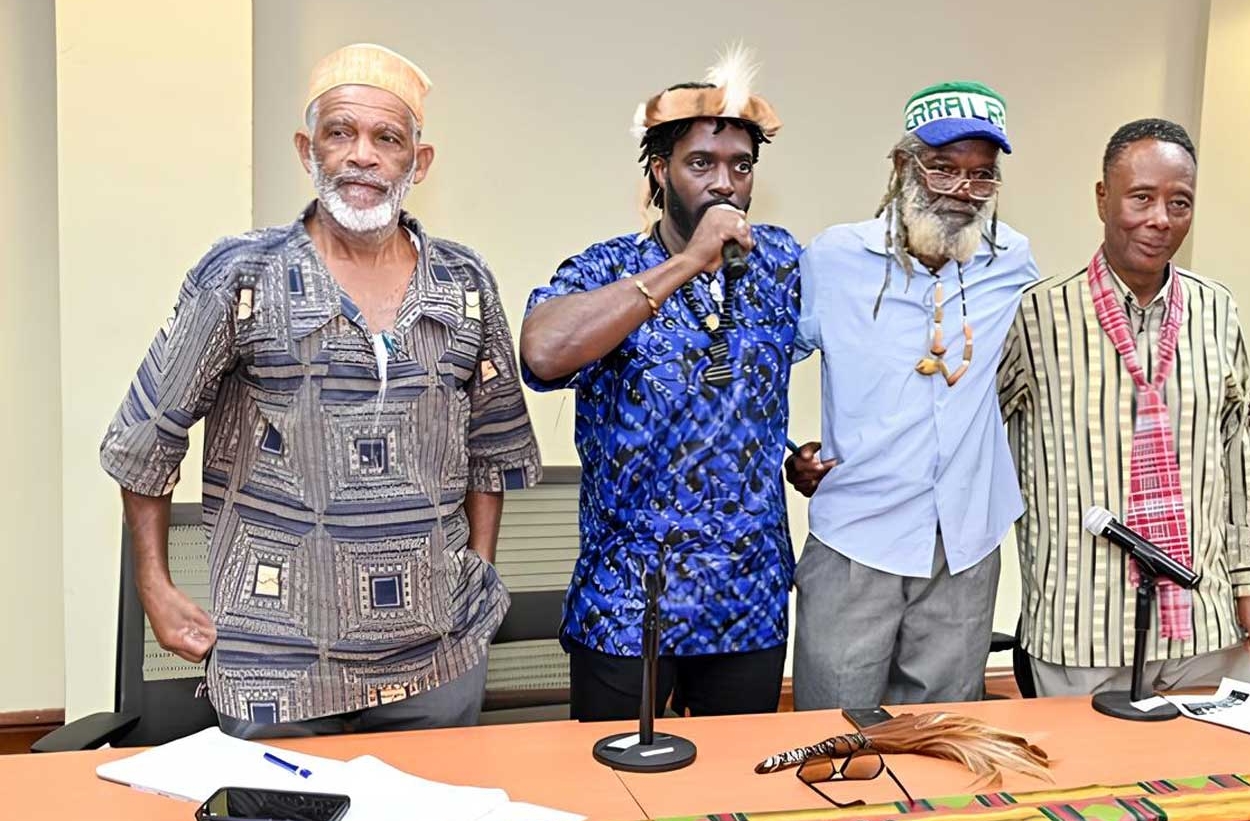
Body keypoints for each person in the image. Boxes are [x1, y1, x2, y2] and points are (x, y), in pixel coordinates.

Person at [100, 43, 541, 738]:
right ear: (310, 149)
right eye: (341, 133)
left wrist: (477, 569)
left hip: (436, 662)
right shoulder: (242, 278)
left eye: (386, 138)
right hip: (275, 666)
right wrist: (154, 585)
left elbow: (492, 447)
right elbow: (144, 437)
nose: (362, 155)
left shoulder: (463, 285)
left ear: (417, 164)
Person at [519, 48, 800, 721]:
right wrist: (687, 263)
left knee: (737, 794)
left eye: (740, 166)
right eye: (701, 164)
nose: (724, 183)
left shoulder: (782, 264)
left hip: (747, 594)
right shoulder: (609, 265)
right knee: (614, 790)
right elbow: (543, 351)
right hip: (630, 595)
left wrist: (809, 455)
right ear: (659, 171)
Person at [998, 118, 1250, 697]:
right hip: (1081, 630)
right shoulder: (1035, 316)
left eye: (1180, 202)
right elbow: (967, 436)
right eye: (1141, 198)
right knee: (1087, 788)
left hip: (1205, 629)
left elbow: (1235, 454)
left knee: (1213, 784)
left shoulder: (1216, 310)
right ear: (1102, 198)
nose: (1161, 219)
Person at [785, 82, 1040, 709]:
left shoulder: (1012, 261)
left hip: (965, 545)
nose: (961, 191)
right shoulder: (836, 258)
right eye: (944, 168)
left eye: (982, 176)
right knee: (833, 740)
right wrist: (787, 453)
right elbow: (754, 370)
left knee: (942, 737)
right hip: (857, 537)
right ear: (903, 165)